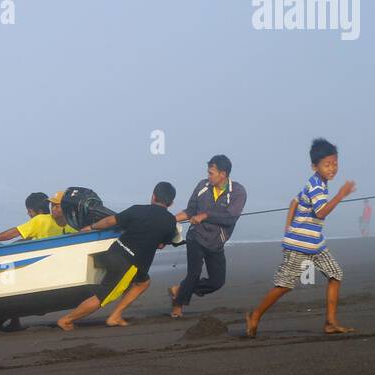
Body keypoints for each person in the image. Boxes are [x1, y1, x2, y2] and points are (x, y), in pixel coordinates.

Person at [245, 138, 356, 337]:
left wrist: (287, 228)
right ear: (315, 166)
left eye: (335, 164)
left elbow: (293, 202)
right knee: (284, 285)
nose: (332, 169)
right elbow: (321, 212)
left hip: (315, 244)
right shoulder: (316, 187)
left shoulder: (318, 182)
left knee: (335, 274)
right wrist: (340, 195)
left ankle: (331, 322)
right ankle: (255, 315)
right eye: (327, 165)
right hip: (299, 245)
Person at [57, 182, 178, 330]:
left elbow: (110, 221)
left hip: (114, 252)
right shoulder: (170, 222)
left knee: (143, 282)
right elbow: (160, 245)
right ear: (171, 203)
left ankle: (116, 315)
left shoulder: (137, 209)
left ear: (153, 196)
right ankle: (66, 320)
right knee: (103, 297)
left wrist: (91, 227)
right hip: (129, 264)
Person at [168, 155, 247, 318]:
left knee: (217, 282)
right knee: (194, 274)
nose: (208, 176)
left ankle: (179, 290)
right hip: (196, 237)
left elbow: (230, 218)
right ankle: (177, 306)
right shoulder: (202, 186)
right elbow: (190, 211)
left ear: (223, 174)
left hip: (216, 242)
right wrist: (171, 219)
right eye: (208, 172)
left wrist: (205, 215)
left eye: (211, 173)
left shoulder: (238, 192)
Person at [0, 192, 66, 245]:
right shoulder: (41, 220)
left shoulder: (40, 220)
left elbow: (13, 233)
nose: (53, 209)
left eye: (57, 206)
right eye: (52, 205)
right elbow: (19, 236)